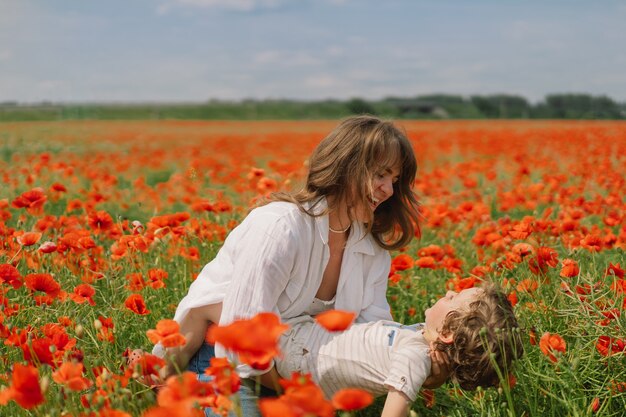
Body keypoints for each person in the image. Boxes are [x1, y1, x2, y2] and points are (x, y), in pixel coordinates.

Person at [150, 115, 428, 416]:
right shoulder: (280, 227)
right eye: (380, 175)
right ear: (345, 166)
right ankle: (175, 386)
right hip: (228, 360)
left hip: (300, 368)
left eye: (395, 181)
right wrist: (292, 391)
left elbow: (370, 334)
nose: (388, 190)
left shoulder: (372, 250)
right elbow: (241, 343)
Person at [275, 284, 524, 417]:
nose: (449, 291)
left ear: (446, 333)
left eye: (453, 297)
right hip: (308, 343)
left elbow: (396, 407)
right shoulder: (420, 340)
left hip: (301, 352)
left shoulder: (416, 357)